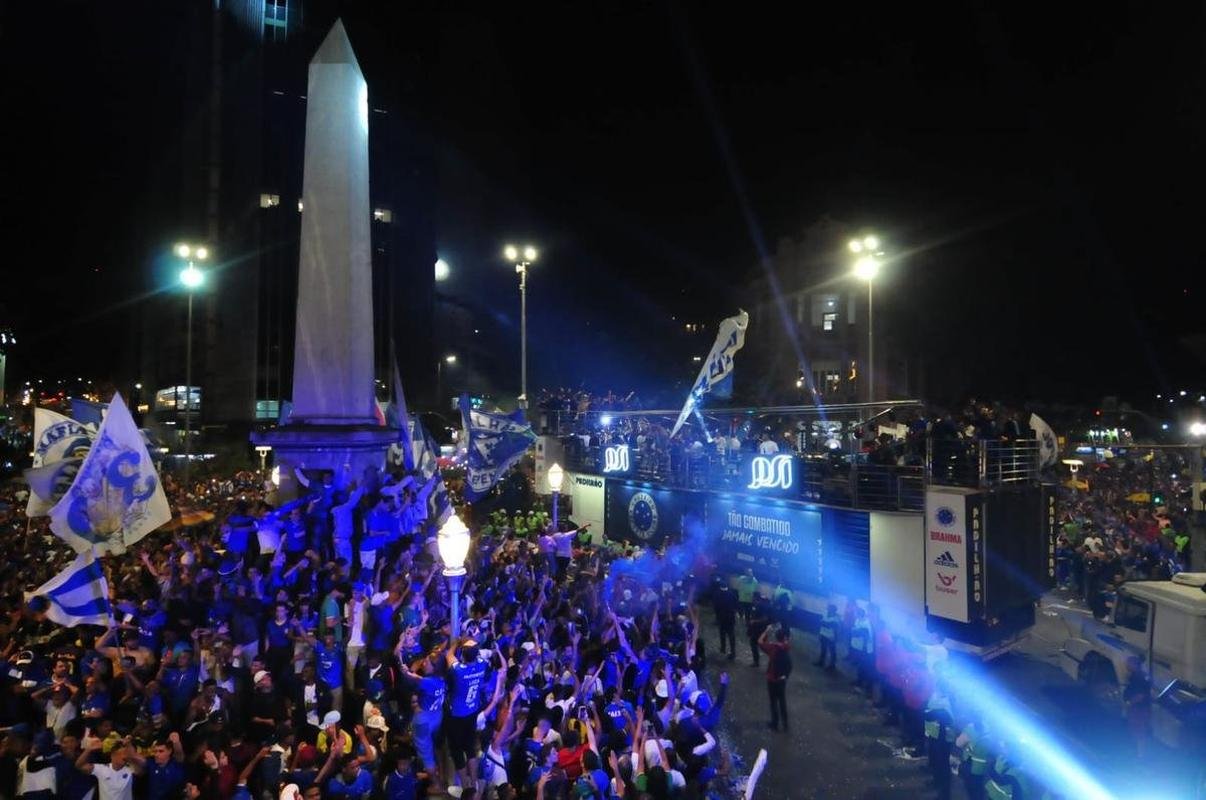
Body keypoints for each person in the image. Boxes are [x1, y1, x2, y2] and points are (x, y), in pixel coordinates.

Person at [758, 623, 792, 732]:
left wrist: (766, 631)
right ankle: (785, 724)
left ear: (776, 637)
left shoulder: (773, 648)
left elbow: (760, 642)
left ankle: (775, 723)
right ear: (785, 638)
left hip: (772, 679)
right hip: (782, 679)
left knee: (773, 702)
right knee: (782, 701)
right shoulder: (786, 647)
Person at [712, 578, 738, 661]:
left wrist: (717, 616)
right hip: (730, 618)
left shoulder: (717, 594)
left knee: (722, 633)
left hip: (721, 618)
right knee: (731, 635)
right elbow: (736, 604)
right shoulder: (732, 593)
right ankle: (733, 652)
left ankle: (723, 648)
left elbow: (716, 606)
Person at [814, 602, 839, 671]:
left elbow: (833, 627)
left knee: (832, 651)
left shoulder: (836, 618)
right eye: (828, 608)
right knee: (823, 649)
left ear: (833, 610)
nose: (828, 609)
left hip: (831, 636)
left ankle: (832, 665)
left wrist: (835, 638)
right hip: (823, 634)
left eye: (829, 608)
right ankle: (821, 662)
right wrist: (821, 631)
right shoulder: (825, 613)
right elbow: (821, 623)